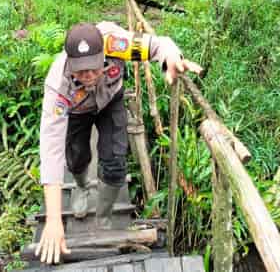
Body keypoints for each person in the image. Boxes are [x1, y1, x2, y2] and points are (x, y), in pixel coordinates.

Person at [35, 21, 202, 264]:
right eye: (81, 71)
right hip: (78, 111)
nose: (89, 76)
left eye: (93, 68)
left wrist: (172, 59)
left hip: (110, 100)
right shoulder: (58, 84)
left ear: (103, 54)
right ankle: (82, 187)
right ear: (70, 64)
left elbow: (158, 46)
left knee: (114, 160)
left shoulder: (115, 44)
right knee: (77, 156)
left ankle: (103, 216)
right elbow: (51, 150)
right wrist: (53, 220)